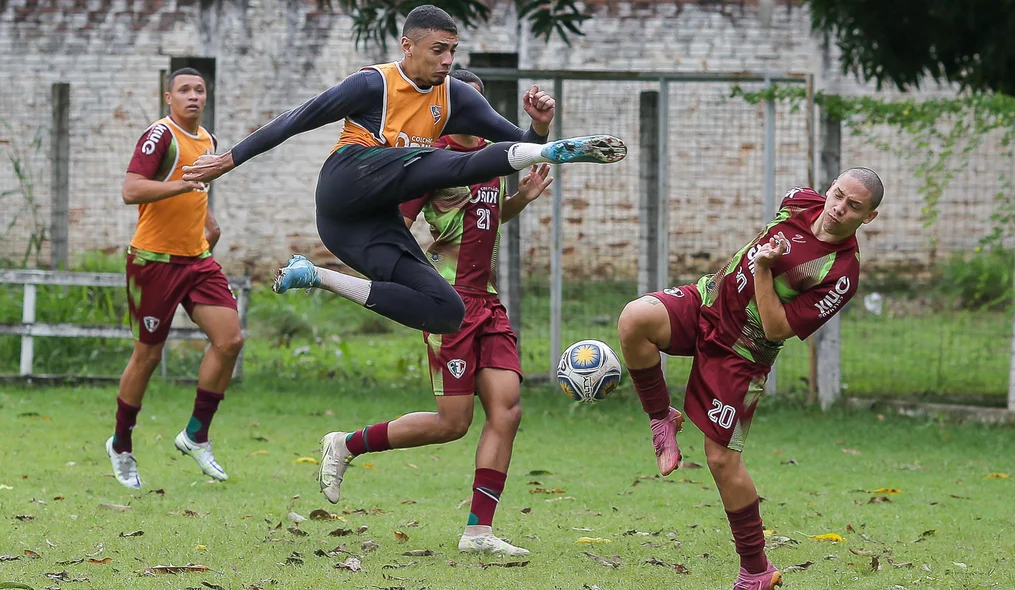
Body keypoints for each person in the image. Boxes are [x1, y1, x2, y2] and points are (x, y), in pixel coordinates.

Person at [181, 4, 624, 342]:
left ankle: (316, 276)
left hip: (360, 226)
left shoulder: (456, 97)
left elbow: (516, 142)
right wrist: (229, 159)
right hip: (344, 185)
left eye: (453, 50)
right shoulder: (372, 84)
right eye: (439, 50)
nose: (449, 60)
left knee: (447, 310)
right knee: (436, 164)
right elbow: (300, 117)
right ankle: (550, 151)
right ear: (407, 46)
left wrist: (540, 129)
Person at [616, 168, 883, 589]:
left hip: (742, 352)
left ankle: (756, 570)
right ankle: (660, 417)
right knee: (635, 319)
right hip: (708, 301)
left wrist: (762, 269)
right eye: (838, 195)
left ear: (867, 218)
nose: (839, 208)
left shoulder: (841, 273)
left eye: (854, 207)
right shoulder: (798, 200)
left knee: (721, 459)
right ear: (829, 188)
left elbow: (777, 328)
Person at [349, 69, 549, 557]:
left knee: (508, 409)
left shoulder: (492, 154)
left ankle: (478, 532)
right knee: (452, 424)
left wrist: (521, 196)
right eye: (462, 103)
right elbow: (395, 226)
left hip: (490, 301)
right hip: (449, 304)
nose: (473, 112)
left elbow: (487, 215)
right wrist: (410, 273)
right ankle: (348, 445)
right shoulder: (427, 161)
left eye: (478, 104)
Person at [105, 67, 245, 489]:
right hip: (153, 261)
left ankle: (196, 434)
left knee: (230, 339)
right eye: (184, 90)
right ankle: (122, 443)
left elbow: (195, 189)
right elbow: (132, 190)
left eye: (199, 90)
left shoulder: (210, 141)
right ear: (169, 97)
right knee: (148, 354)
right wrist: (185, 186)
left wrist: (209, 220)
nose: (193, 96)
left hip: (197, 259)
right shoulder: (159, 135)